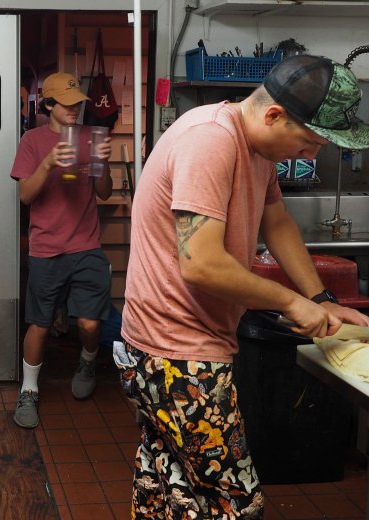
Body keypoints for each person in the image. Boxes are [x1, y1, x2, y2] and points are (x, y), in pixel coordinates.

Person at [116, 53, 369, 518]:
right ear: (274, 114)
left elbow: (277, 221)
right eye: (311, 142)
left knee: (165, 481)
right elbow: (202, 265)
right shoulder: (210, 140)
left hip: (171, 347)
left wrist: (321, 300)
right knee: (236, 500)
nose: (311, 155)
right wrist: (293, 303)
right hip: (175, 354)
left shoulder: (257, 147)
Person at [9, 72, 113, 429]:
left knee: (89, 322)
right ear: (49, 105)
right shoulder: (33, 141)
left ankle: (87, 359)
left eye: (78, 103)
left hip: (86, 245)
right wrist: (49, 163)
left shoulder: (91, 136)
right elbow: (25, 196)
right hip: (46, 248)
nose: (74, 110)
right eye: (66, 104)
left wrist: (102, 164)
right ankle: (30, 390)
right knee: (39, 323)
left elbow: (103, 192)